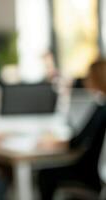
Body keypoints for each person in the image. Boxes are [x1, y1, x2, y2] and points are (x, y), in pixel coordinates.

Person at [37, 59, 106, 200]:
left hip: (92, 172)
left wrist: (54, 144)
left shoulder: (102, 108)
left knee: (44, 174)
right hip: (99, 173)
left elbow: (78, 142)